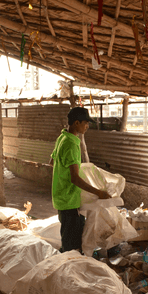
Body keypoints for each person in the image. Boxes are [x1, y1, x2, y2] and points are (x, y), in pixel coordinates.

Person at [50, 107, 111, 253]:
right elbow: (75, 178)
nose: (87, 126)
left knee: (68, 235)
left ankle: (66, 261)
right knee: (73, 244)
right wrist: (99, 193)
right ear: (76, 123)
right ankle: (68, 268)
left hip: (60, 195)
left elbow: (52, 162)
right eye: (85, 123)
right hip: (69, 199)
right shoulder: (72, 143)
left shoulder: (62, 137)